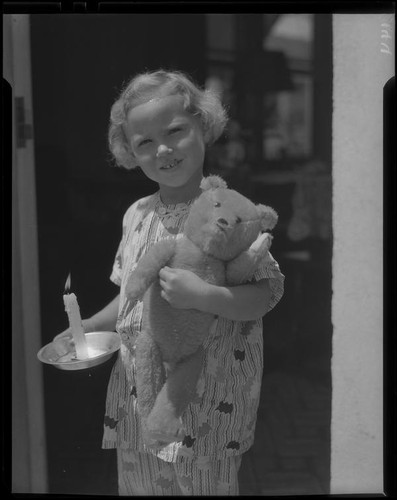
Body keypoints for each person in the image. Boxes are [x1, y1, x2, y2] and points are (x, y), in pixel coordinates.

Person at [55, 69, 285, 495]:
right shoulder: (137, 213)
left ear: (203, 125)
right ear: (129, 151)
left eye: (175, 130)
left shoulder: (230, 213)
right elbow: (129, 296)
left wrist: (206, 295)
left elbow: (266, 293)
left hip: (210, 400)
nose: (163, 149)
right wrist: (85, 328)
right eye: (144, 142)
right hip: (139, 398)